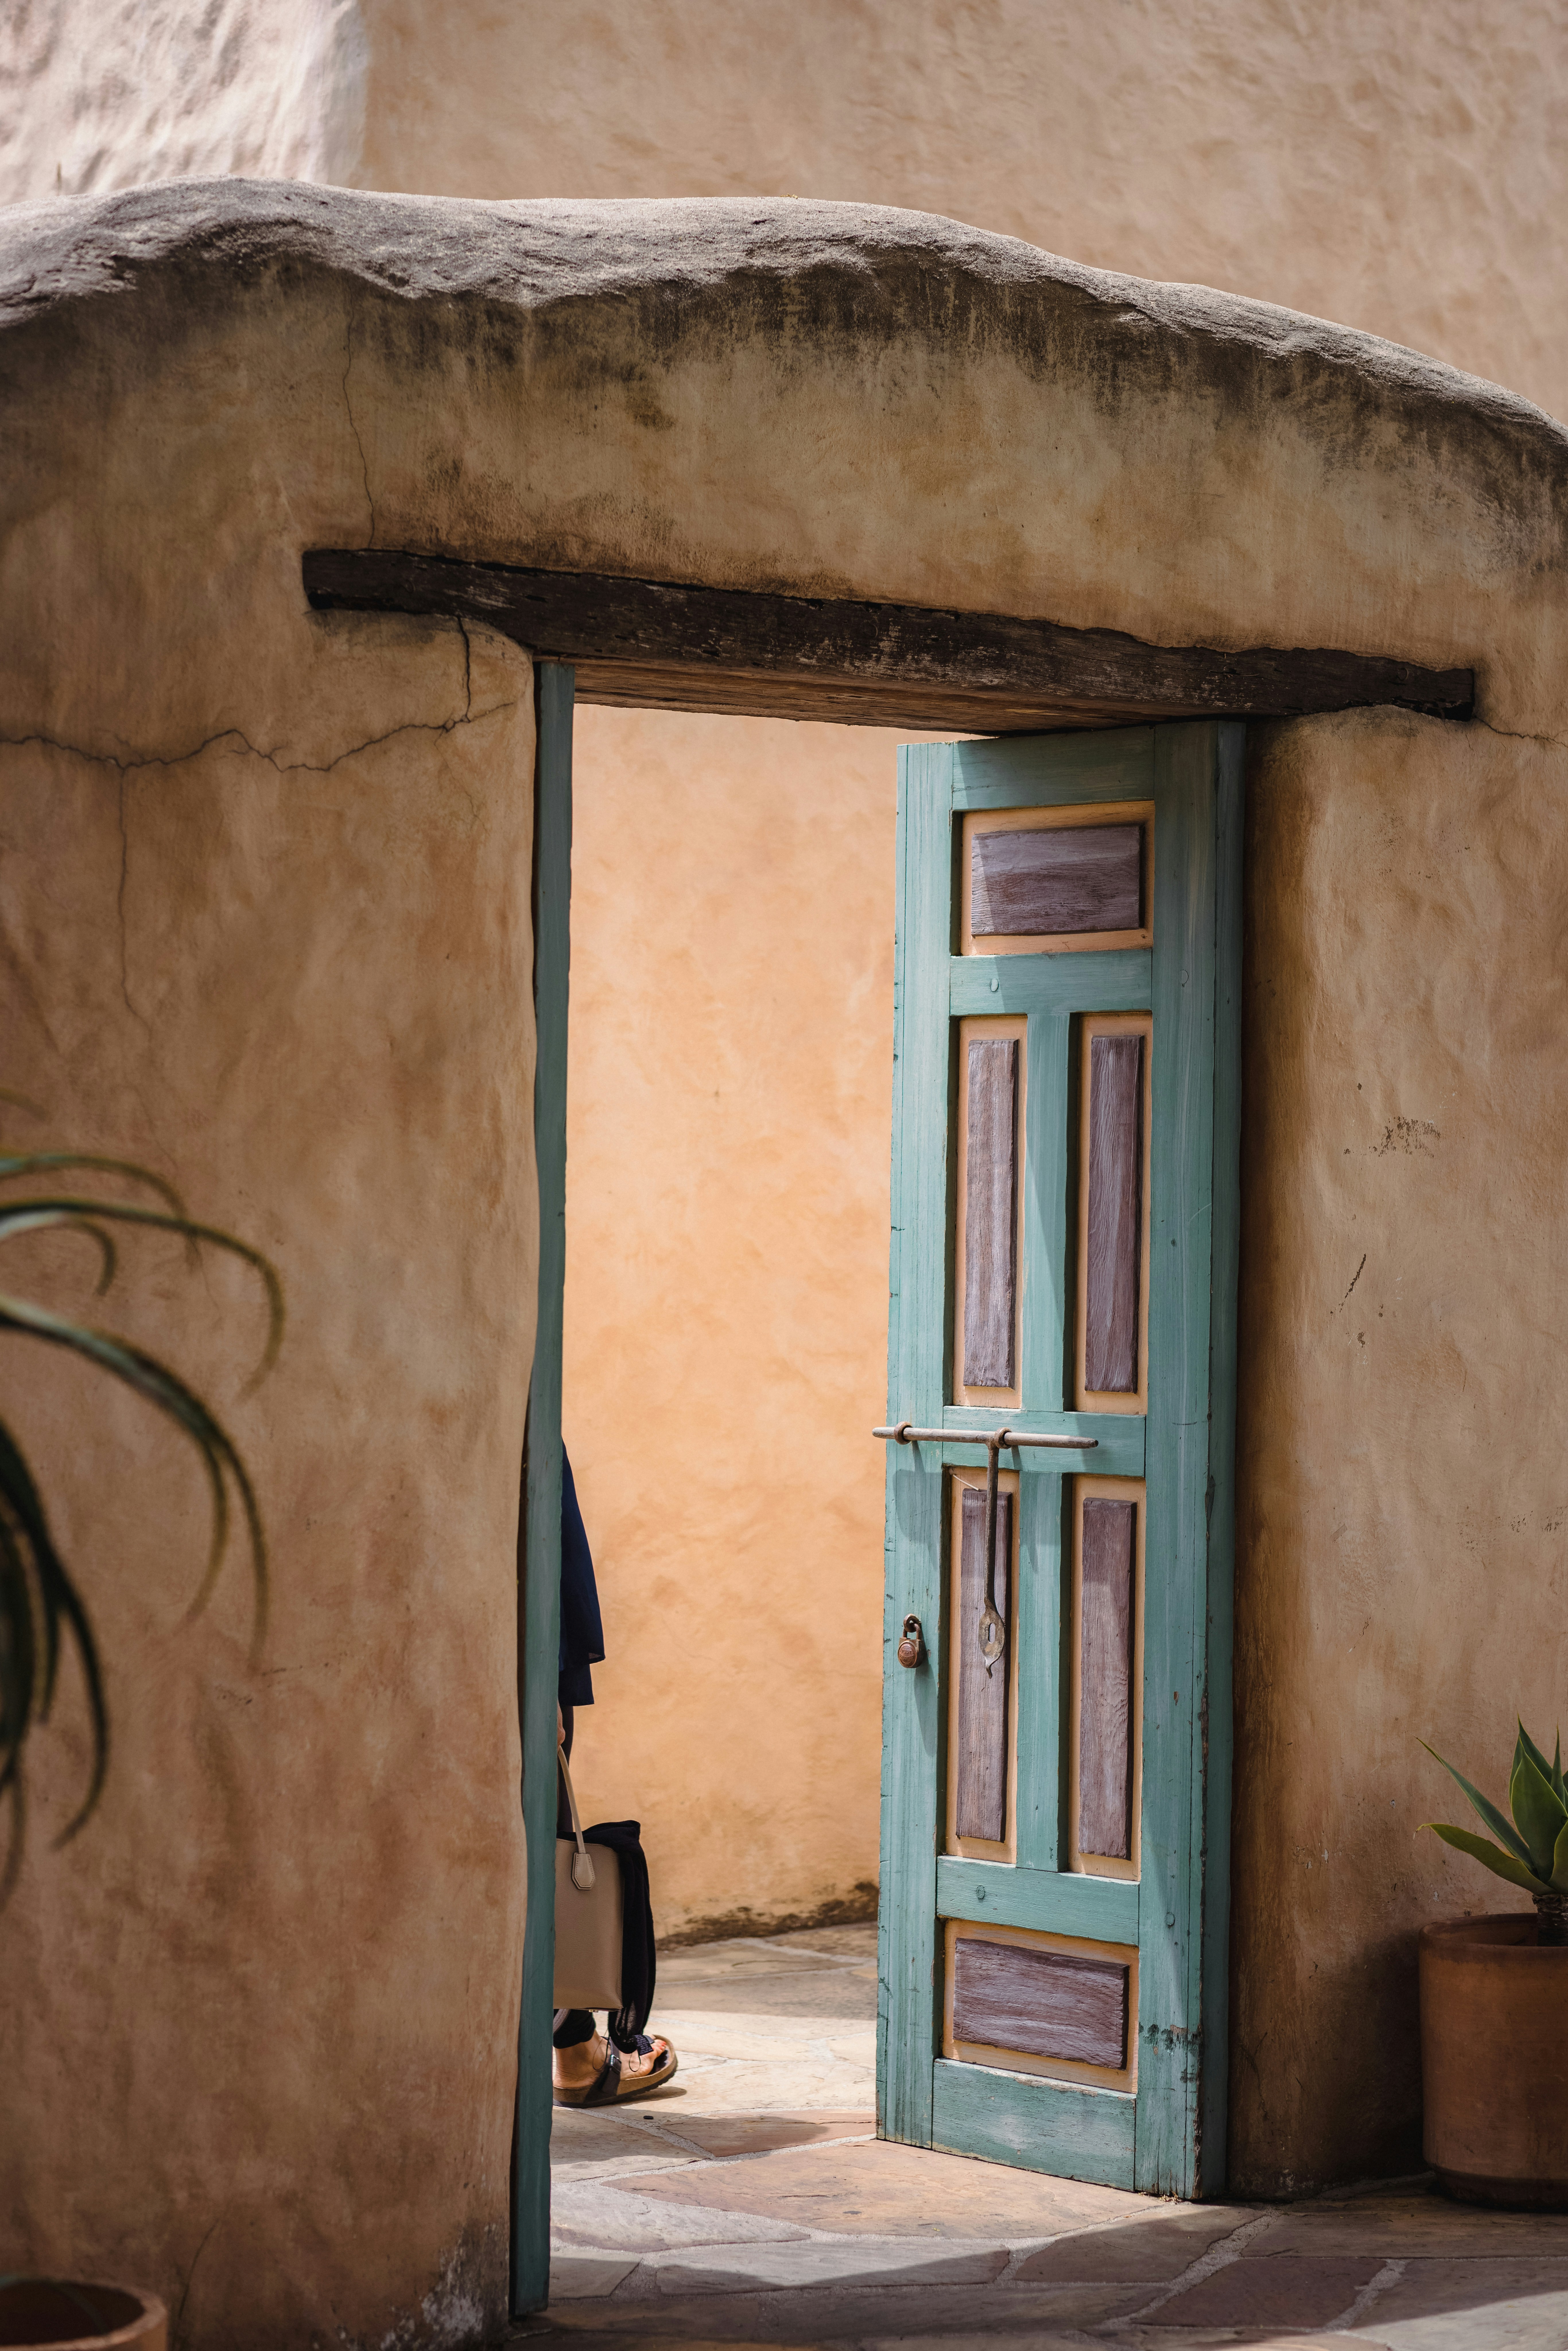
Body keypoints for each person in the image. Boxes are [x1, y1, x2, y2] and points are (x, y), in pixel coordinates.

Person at [552, 1450, 678, 2105]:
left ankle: (573, 2046)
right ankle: (576, 2056)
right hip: (513, 1664)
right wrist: (539, 1680)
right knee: (537, 1845)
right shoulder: (514, 1412)